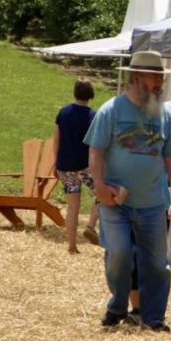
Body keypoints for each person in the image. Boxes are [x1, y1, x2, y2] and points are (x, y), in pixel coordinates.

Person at [85, 51, 171, 331]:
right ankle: (118, 306)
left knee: (156, 263)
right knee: (119, 253)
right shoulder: (111, 110)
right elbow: (95, 150)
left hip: (154, 203)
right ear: (135, 78)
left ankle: (153, 318)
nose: (159, 84)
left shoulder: (163, 116)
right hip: (115, 202)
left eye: (160, 78)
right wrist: (99, 186)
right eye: (154, 78)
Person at [53, 79, 98, 253]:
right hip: (85, 165)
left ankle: (72, 245)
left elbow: (56, 139)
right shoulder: (92, 116)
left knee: (73, 207)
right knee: (102, 195)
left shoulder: (63, 112)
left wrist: (55, 162)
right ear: (91, 94)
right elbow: (96, 143)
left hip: (65, 165)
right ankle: (91, 225)